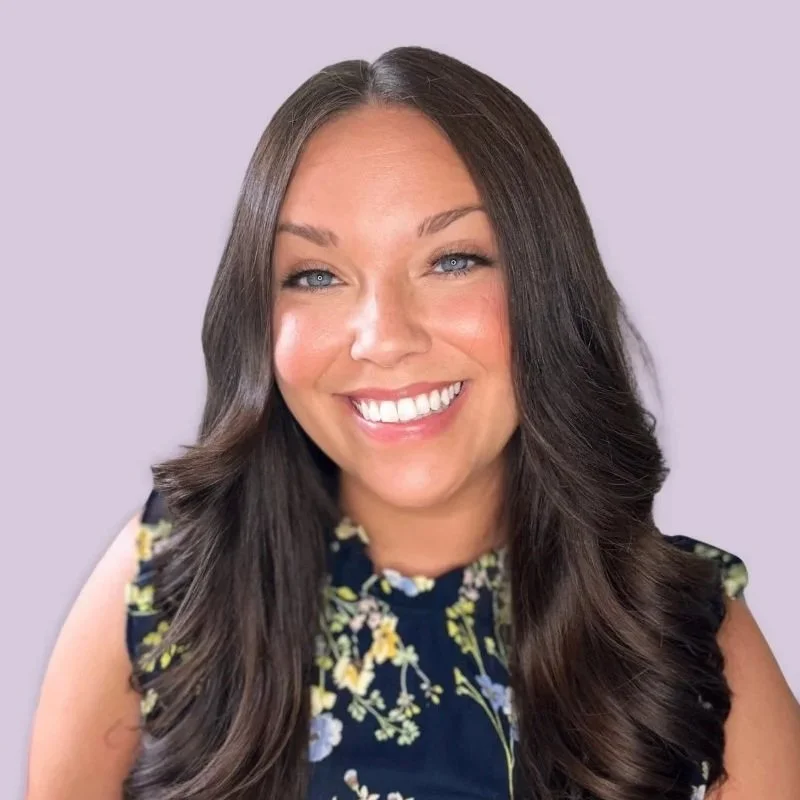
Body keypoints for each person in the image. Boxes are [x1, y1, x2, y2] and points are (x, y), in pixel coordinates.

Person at [27, 45, 800, 800]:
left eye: (452, 260)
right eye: (317, 275)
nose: (384, 336)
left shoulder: (687, 634)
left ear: (544, 290)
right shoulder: (167, 580)